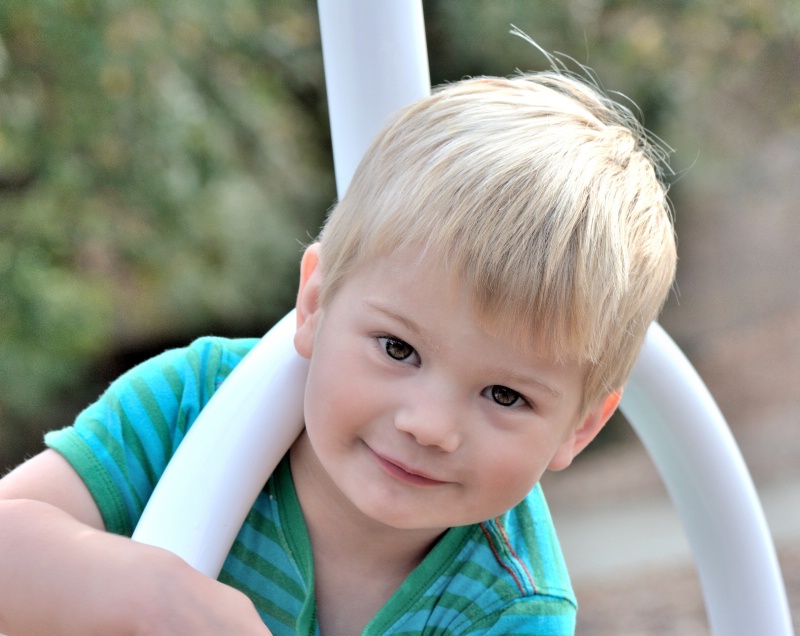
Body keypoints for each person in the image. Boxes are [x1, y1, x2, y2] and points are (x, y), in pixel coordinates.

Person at [0, 69, 676, 635]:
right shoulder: (196, 402)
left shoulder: (508, 608)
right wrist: (143, 595)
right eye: (398, 348)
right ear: (316, 304)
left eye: (505, 395)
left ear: (581, 427)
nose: (429, 425)